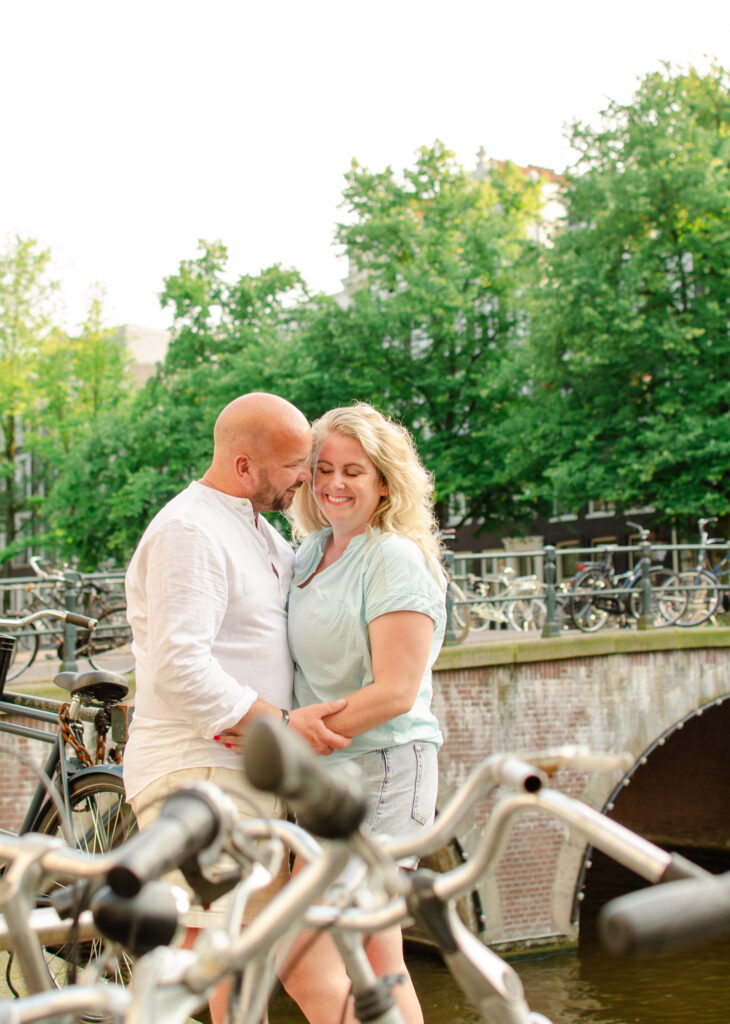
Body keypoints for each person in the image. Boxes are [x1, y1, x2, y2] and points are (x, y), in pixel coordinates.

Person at [122, 392, 350, 1024]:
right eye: (294, 464)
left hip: (251, 775)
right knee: (214, 958)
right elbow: (179, 667)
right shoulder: (189, 532)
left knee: (299, 960)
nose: (306, 477)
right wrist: (275, 724)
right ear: (245, 466)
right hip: (199, 775)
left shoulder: (260, 531)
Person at [280, 402, 446, 1024]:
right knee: (376, 956)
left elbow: (397, 691)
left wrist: (300, 734)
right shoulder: (309, 554)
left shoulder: (391, 558)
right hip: (327, 778)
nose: (334, 484)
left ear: (383, 481)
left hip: (382, 771)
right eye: (323, 469)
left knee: (313, 955)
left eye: (354, 470)